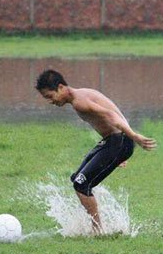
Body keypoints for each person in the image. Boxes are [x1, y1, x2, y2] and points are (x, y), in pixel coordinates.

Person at [35, 69, 156, 234]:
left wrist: (133, 137)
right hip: (114, 142)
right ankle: (96, 221)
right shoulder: (80, 95)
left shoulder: (80, 101)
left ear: (61, 87)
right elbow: (112, 115)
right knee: (77, 179)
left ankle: (97, 230)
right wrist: (117, 155)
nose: (51, 101)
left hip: (118, 141)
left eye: (50, 96)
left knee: (81, 183)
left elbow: (112, 115)